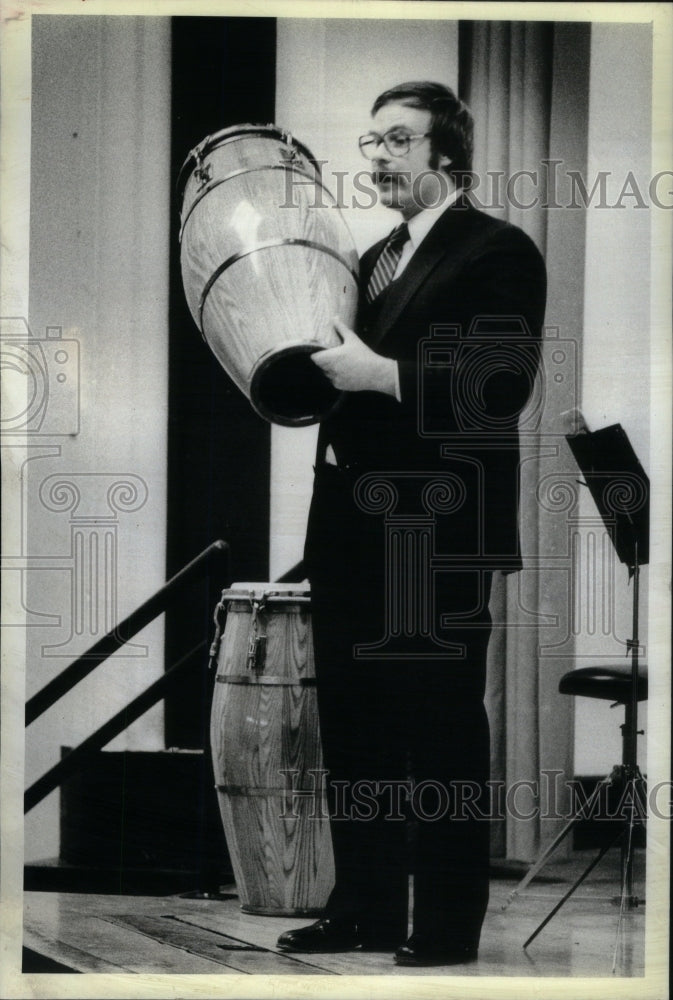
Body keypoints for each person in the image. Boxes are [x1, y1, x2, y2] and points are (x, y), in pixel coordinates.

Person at [276, 81, 547, 967]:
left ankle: (443, 927)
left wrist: (379, 375)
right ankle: (364, 908)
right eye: (372, 141)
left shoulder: (498, 250)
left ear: (445, 155)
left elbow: (498, 390)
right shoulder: (369, 259)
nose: (379, 157)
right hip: (354, 532)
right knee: (352, 728)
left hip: (436, 534)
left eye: (398, 140)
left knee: (436, 730)